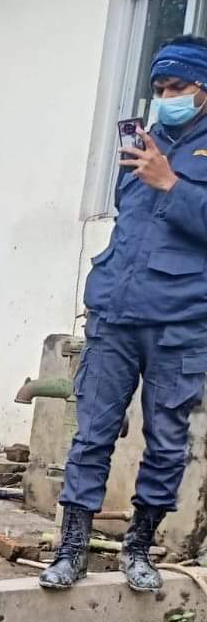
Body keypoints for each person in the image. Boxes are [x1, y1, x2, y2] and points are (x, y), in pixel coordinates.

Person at [42, 35, 207, 593]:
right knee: (92, 433)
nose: (166, 98)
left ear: (204, 89)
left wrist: (172, 184)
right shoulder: (145, 142)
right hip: (115, 312)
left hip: (180, 321)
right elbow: (130, 222)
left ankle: (139, 547)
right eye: (159, 88)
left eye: (178, 87)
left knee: (165, 440)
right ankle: (72, 548)